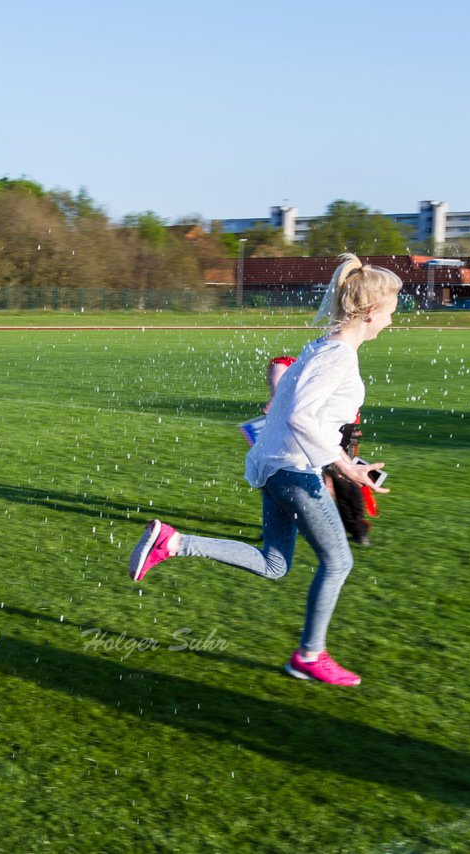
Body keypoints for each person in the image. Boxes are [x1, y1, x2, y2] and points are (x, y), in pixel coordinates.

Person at [128, 253, 397, 686]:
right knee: (339, 562)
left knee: (274, 563)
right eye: (389, 313)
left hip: (277, 466)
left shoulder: (323, 347)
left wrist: (349, 464)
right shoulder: (339, 356)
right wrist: (343, 466)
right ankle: (310, 654)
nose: (390, 322)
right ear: (369, 313)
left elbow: (299, 415)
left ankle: (173, 542)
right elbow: (301, 418)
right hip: (294, 471)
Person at [266, 356, 376, 545]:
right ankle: (283, 526)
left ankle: (357, 527)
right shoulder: (295, 367)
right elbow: (278, 365)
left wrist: (276, 397)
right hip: (308, 425)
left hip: (343, 425)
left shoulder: (318, 364)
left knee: (341, 475)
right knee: (292, 470)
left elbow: (280, 365)